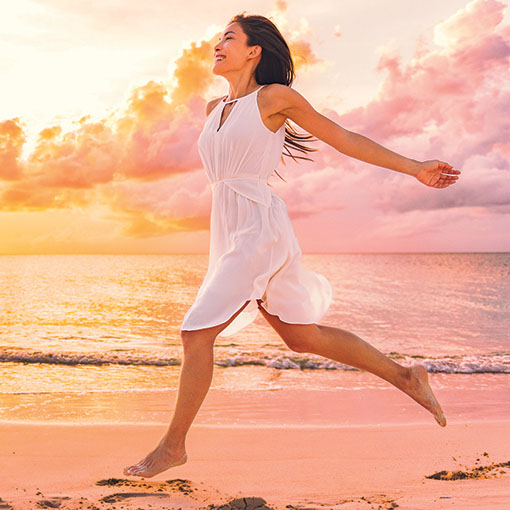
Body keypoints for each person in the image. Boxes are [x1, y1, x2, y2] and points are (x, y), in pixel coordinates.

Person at [123, 12, 460, 478]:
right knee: (301, 337)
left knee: (195, 332)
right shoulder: (211, 109)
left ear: (253, 50)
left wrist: (415, 166)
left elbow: (343, 138)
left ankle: (172, 446)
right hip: (229, 229)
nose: (217, 46)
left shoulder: (274, 98)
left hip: (258, 228)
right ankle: (406, 377)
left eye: (228, 39)